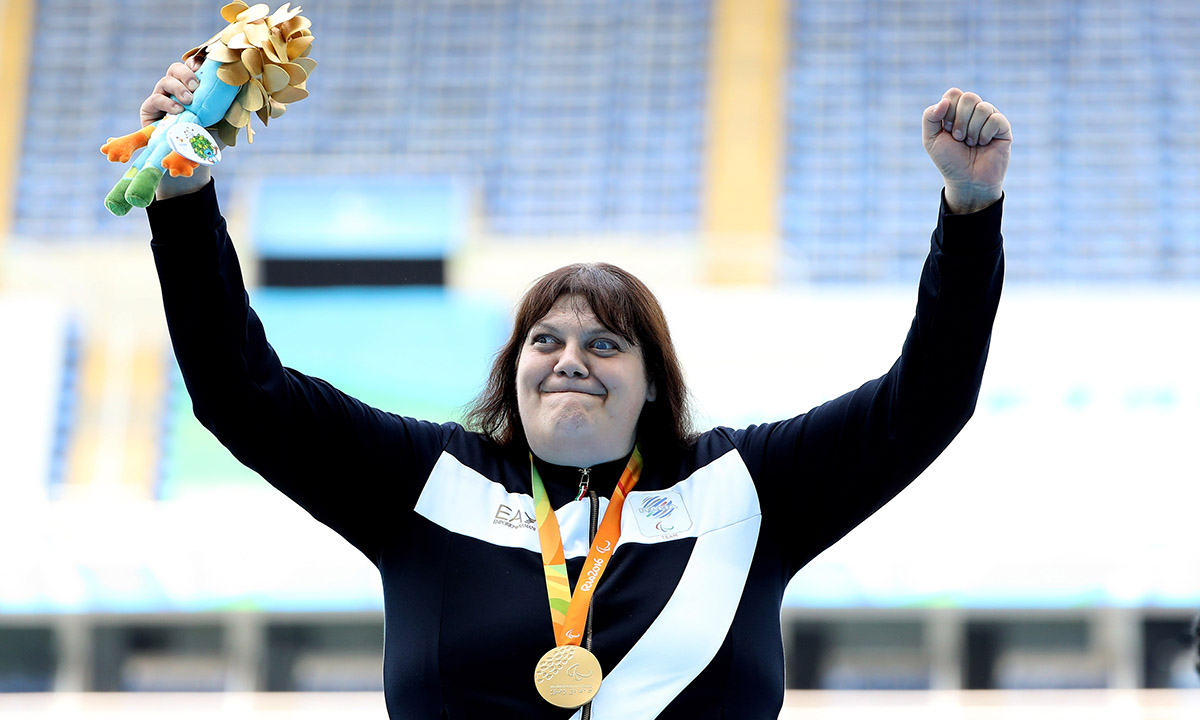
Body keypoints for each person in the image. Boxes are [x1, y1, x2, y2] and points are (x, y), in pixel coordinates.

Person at [142, 56, 1009, 718]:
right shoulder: (427, 481)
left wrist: (969, 216)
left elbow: (925, 404)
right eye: (545, 340)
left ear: (652, 383)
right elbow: (240, 394)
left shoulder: (744, 487)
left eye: (605, 344)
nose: (569, 360)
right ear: (512, 369)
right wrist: (184, 201)